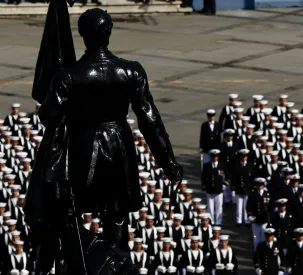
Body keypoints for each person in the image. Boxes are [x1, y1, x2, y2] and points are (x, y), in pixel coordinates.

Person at [25, 8, 183, 275]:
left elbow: (48, 116)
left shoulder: (69, 76)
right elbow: (150, 122)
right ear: (109, 33)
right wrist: (169, 164)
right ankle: (116, 262)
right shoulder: (131, 71)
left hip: (83, 148)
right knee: (117, 217)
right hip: (119, 148)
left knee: (71, 213)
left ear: (82, 35)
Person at [201, 149, 227, 226]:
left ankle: (219, 222)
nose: (214, 158)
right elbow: (203, 177)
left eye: (216, 157)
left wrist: (225, 184)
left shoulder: (222, 165)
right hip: (210, 189)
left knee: (219, 207)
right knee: (210, 208)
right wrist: (204, 187)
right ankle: (211, 221)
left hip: (219, 190)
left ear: (218, 157)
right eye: (213, 156)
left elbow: (227, 175)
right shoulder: (206, 166)